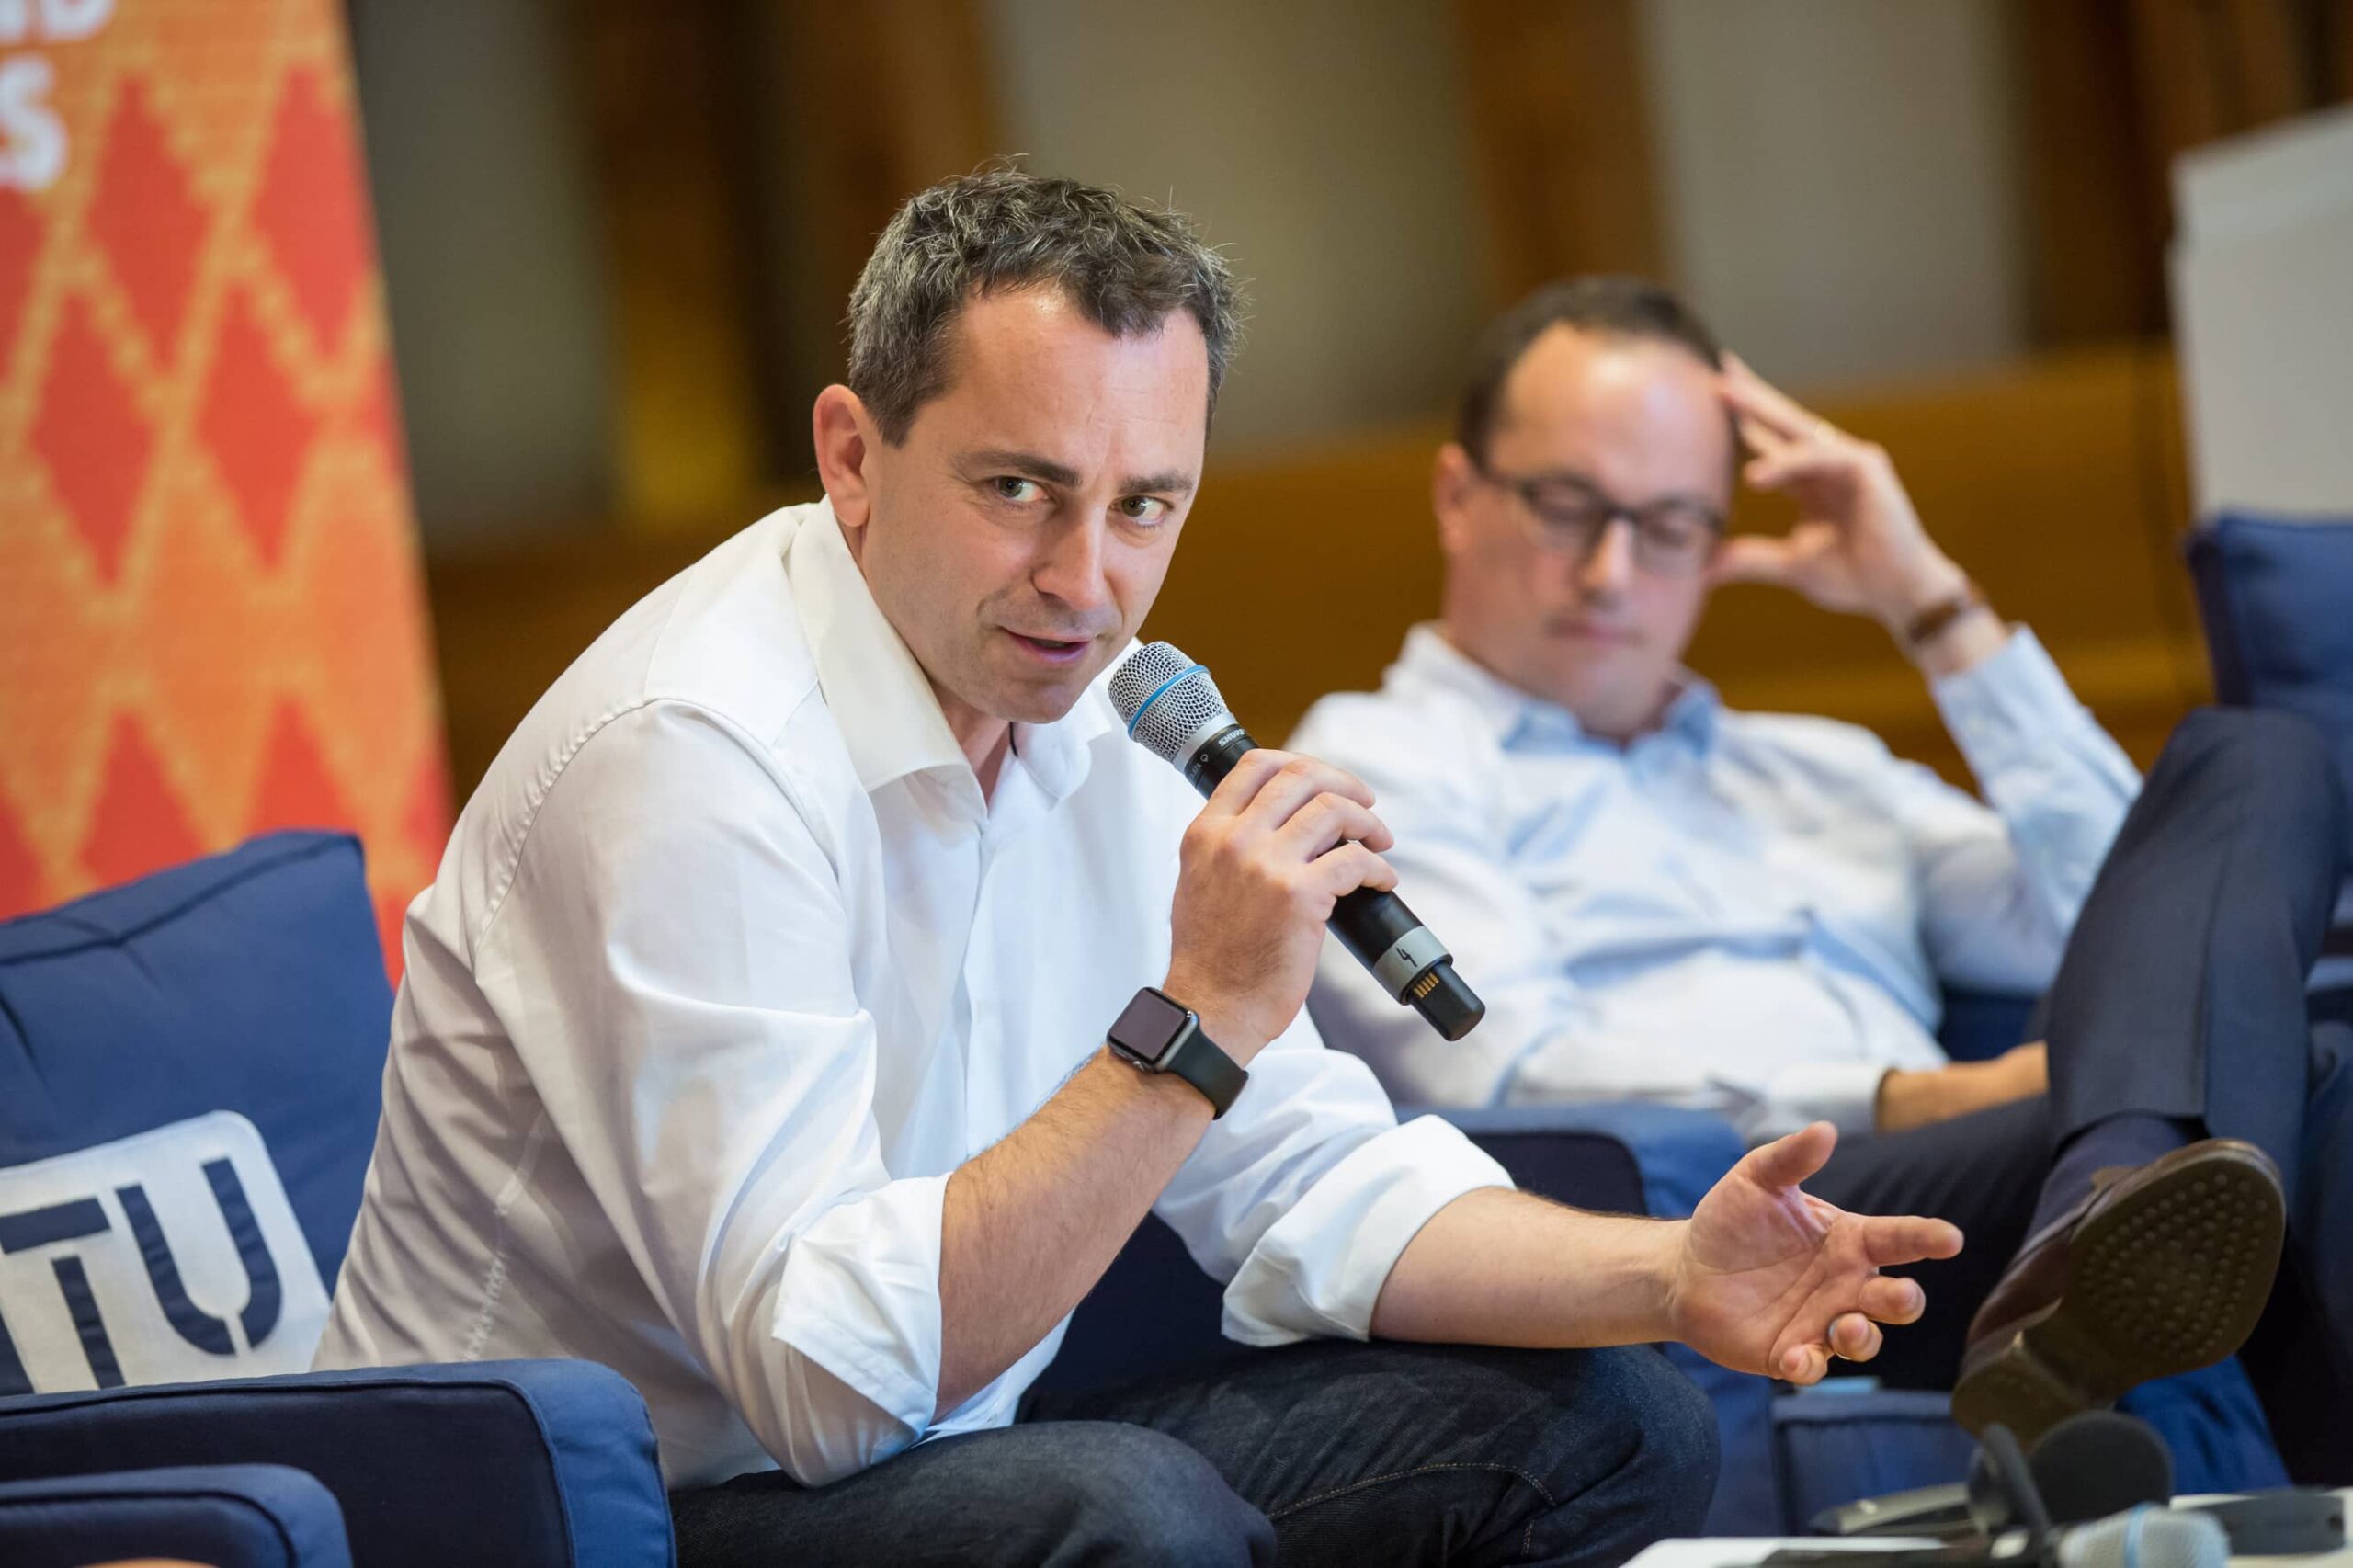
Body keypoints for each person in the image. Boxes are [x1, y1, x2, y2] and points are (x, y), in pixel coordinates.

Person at [313, 177, 1966, 1567]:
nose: (1086, 582)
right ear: (852, 454)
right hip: (570, 1518)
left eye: (1145, 505)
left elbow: (1312, 1180)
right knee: (1124, 1515)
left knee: (1619, 1418)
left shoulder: (1097, 706)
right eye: (1019, 490)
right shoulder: (692, 754)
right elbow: (822, 1383)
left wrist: (1669, 1271)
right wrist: (1199, 1014)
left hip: (931, 1463)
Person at [1291, 277, 2353, 1462]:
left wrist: (1932, 606)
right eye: (1566, 507)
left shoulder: (1824, 767)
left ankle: (2104, 1202)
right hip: (1724, 1214)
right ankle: (2111, 1205)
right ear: (1458, 496)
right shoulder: (1375, 763)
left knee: (2258, 764)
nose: (1612, 573)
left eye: (1671, 526)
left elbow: (2154, 930)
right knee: (2301, 1081)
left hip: (2001, 1178)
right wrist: (1906, 1097)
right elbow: (1502, 1064)